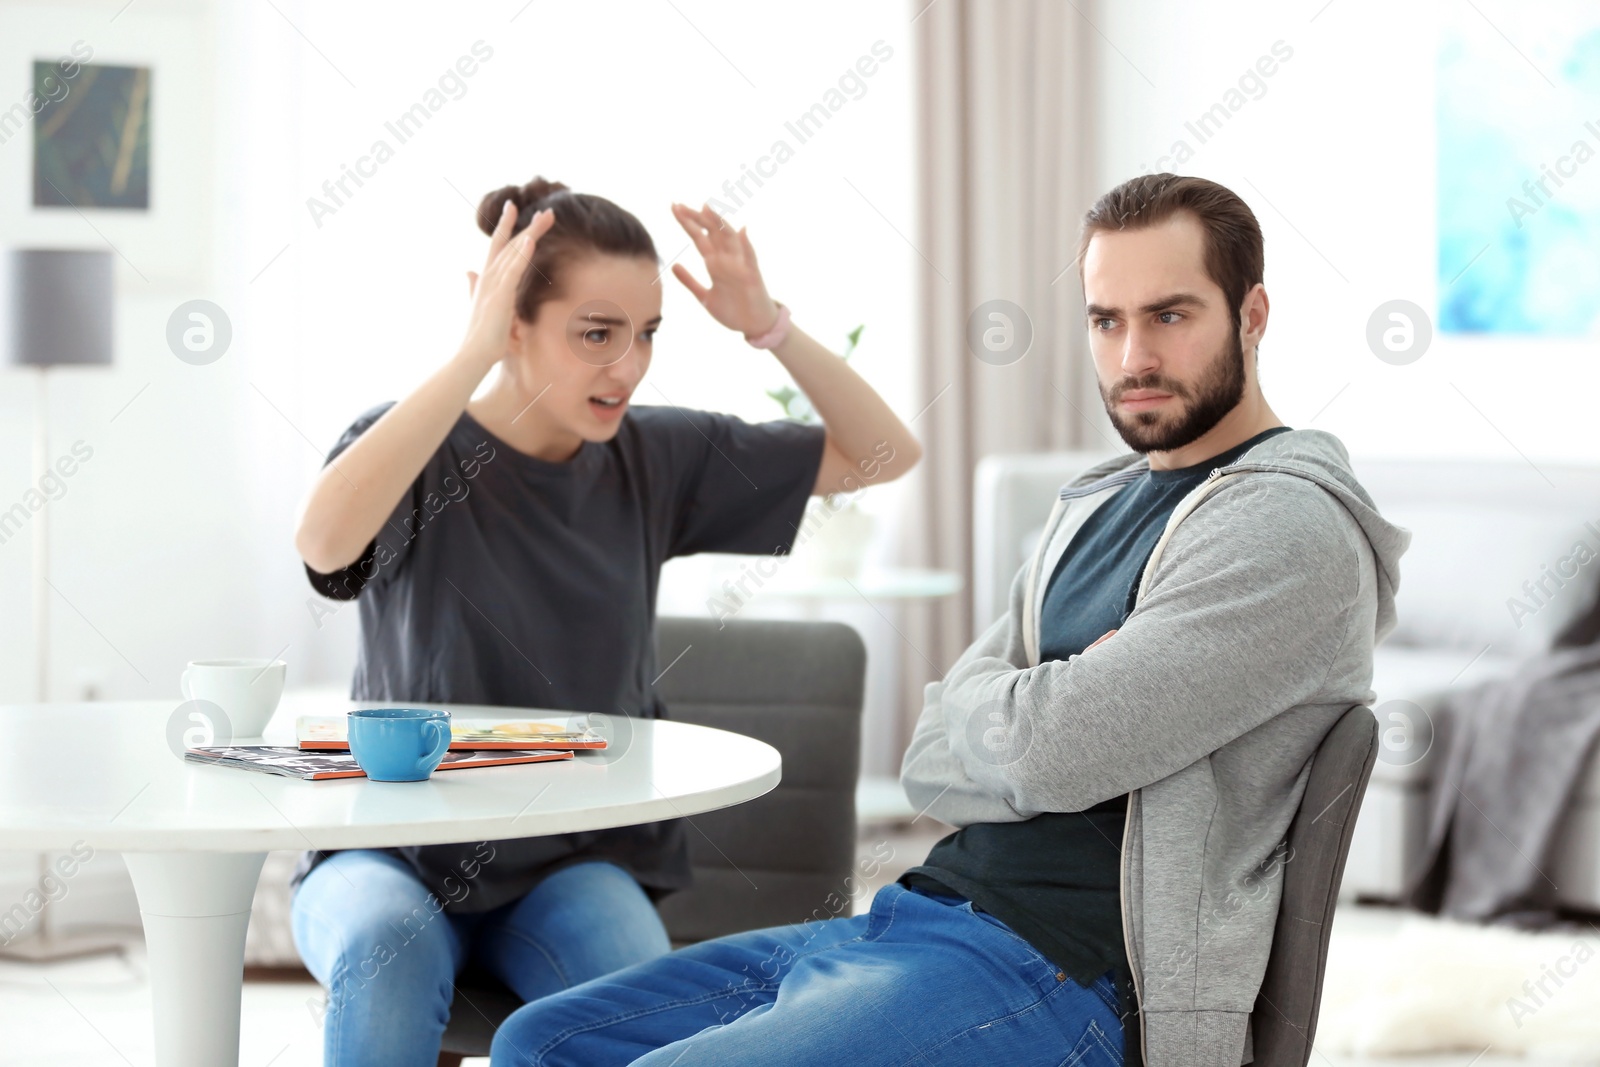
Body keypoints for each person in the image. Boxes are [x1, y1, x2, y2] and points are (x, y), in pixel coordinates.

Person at [484, 172, 1412, 1067]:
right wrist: (1045, 699)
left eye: (1170, 315)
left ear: (1251, 315)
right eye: (1106, 320)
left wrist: (1021, 706)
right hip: (921, 919)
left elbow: (1057, 749)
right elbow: (929, 750)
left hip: (1074, 978)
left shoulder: (1289, 525)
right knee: (538, 1042)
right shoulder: (1091, 504)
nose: (1134, 357)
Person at [288, 175, 922, 1067]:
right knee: (384, 953)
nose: (626, 365)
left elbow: (886, 452)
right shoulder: (411, 445)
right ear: (512, 318)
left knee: (644, 1000)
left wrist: (767, 324)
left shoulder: (657, 454)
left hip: (570, 864)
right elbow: (321, 543)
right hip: (389, 854)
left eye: (647, 333)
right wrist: (473, 352)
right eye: (596, 333)